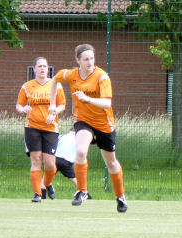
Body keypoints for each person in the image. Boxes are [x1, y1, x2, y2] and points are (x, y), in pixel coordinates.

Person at [49, 44, 127, 213]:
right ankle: (82, 191)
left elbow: (107, 103)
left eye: (92, 58)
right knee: (81, 152)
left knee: (111, 162)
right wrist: (52, 103)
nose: (90, 62)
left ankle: (120, 197)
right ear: (78, 60)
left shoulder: (102, 77)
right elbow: (55, 78)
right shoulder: (71, 75)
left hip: (104, 123)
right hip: (83, 120)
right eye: (86, 59)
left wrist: (87, 99)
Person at [16, 57, 66, 202]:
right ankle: (37, 193)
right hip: (32, 127)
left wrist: (54, 112)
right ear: (34, 69)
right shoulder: (27, 86)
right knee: (36, 160)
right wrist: (23, 108)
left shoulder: (55, 85)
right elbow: (19, 105)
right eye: (40, 66)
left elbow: (62, 104)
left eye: (45, 66)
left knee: (50, 163)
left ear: (48, 68)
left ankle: (47, 183)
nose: (43, 68)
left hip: (51, 128)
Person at [40, 129, 93, 200]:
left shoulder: (62, 136)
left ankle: (42, 197)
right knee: (76, 180)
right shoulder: (79, 139)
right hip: (66, 162)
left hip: (55, 159)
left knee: (45, 178)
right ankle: (87, 196)